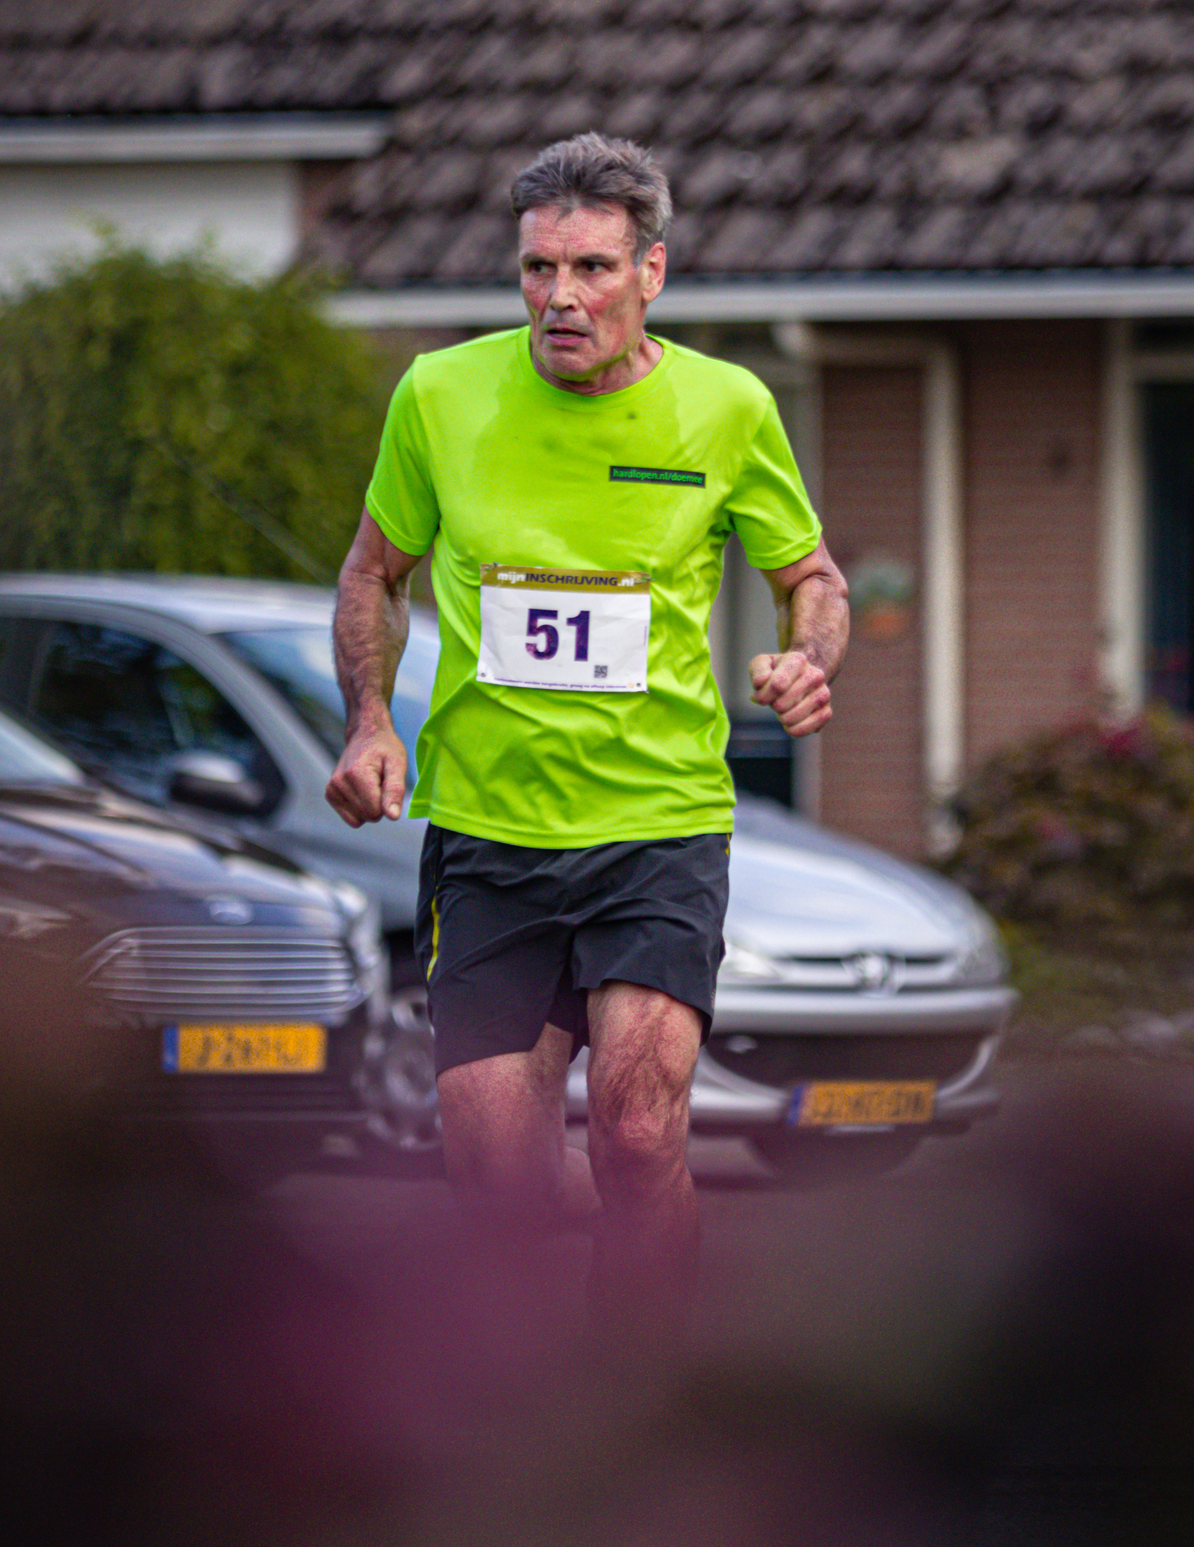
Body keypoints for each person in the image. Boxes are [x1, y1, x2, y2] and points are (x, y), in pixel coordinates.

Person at [327, 133, 848, 1331]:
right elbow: (373, 573)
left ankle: (642, 1393)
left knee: (632, 1131)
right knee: (497, 1183)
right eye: (536, 271)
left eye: (592, 269)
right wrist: (368, 723)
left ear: (650, 272)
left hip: (655, 831)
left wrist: (804, 661)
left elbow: (808, 575)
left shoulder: (725, 409)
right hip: (488, 836)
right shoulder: (440, 395)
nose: (560, 298)